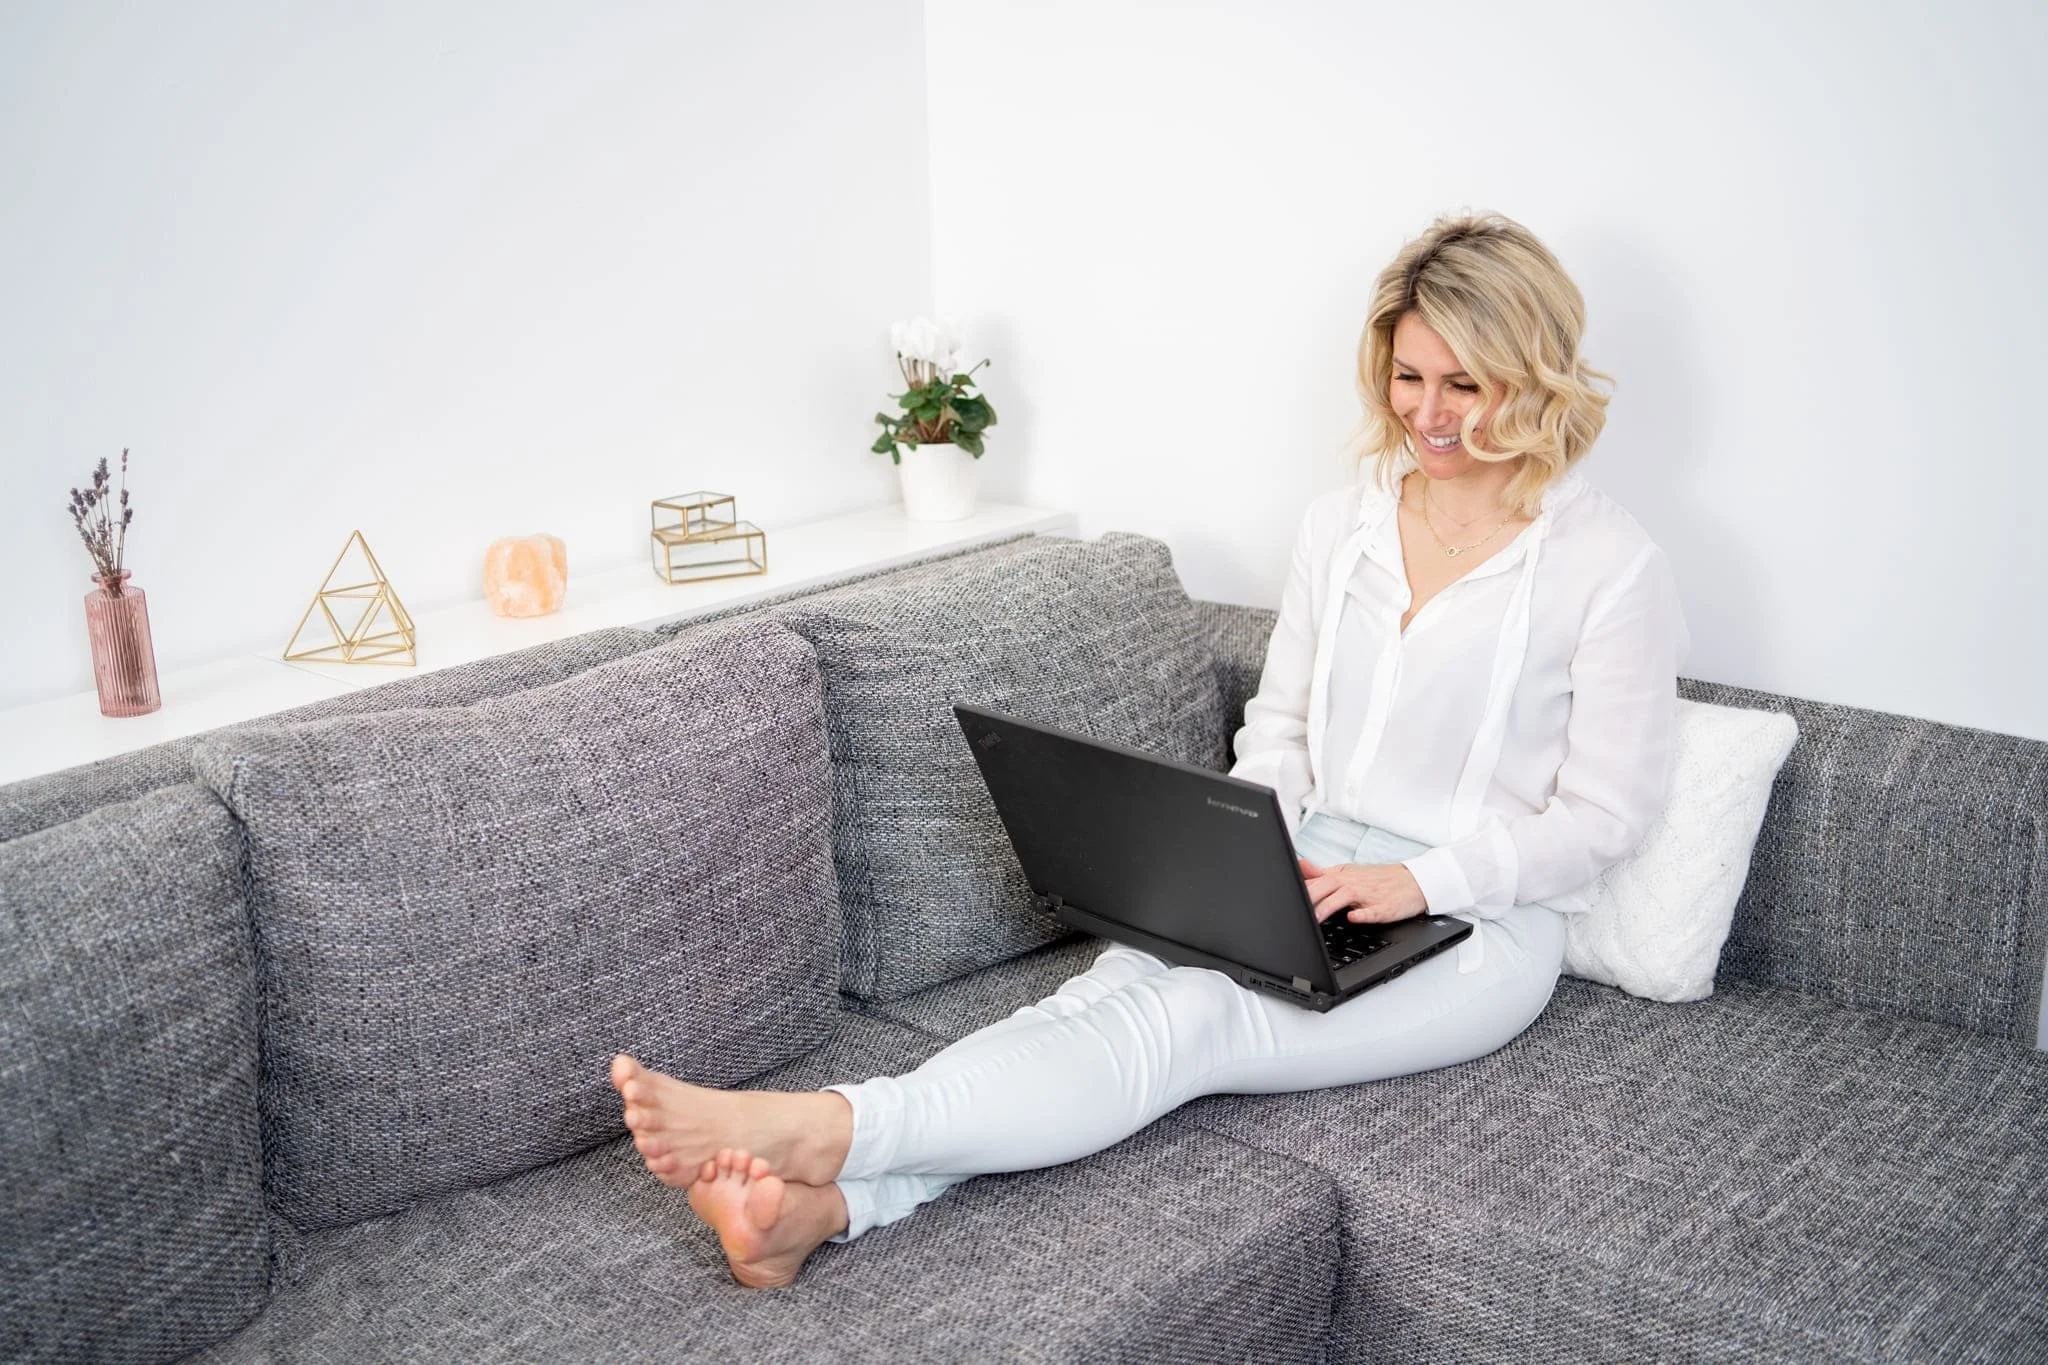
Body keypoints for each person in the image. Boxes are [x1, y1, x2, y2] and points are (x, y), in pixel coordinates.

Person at [609, 211, 1689, 1288]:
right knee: (1092, 1001)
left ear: (1535, 376)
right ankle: (828, 1212)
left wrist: (1415, 880)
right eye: (1408, 379)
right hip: (1301, 867)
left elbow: (1604, 818)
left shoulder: (1607, 568)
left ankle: (834, 1130)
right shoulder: (1341, 526)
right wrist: (1233, 854)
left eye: (1464, 384)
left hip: (1475, 930)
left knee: (1191, 1018)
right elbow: (1278, 726)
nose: (1427, 414)